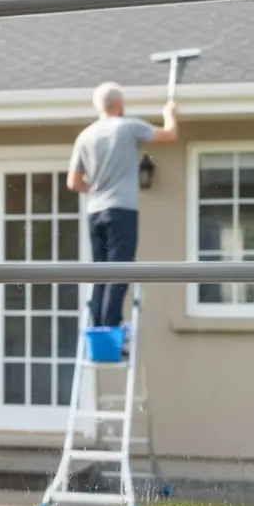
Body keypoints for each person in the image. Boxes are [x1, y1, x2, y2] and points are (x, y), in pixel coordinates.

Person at [67, 82, 180, 329]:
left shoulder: (85, 136)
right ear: (119, 104)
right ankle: (109, 331)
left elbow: (73, 182)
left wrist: (96, 188)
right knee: (119, 271)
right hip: (121, 210)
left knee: (100, 273)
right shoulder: (127, 127)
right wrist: (169, 114)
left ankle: (98, 329)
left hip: (94, 212)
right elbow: (169, 135)